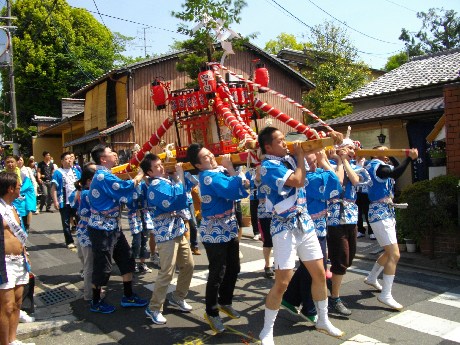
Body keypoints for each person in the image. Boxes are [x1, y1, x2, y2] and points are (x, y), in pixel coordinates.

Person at [257, 127, 343, 345]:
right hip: (284, 227)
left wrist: (329, 141)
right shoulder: (268, 166)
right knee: (282, 282)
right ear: (268, 147)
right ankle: (267, 330)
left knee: (319, 274)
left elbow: (309, 150)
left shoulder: (288, 158)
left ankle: (322, 319)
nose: (285, 143)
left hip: (305, 223)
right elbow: (297, 180)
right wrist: (300, 157)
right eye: (279, 141)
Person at [187, 143, 249, 333]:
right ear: (198, 165)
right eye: (206, 157)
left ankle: (225, 302)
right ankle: (212, 312)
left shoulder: (217, 171)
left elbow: (240, 189)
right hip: (214, 230)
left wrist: (234, 174)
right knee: (218, 272)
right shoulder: (206, 177)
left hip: (228, 226)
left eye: (210, 153)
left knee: (234, 267)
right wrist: (231, 169)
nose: (211, 157)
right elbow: (231, 190)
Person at [281, 149, 342, 322]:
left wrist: (325, 162)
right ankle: (309, 307)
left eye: (316, 160)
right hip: (309, 227)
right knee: (315, 269)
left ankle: (291, 298)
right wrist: (325, 162)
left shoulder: (314, 174)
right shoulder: (308, 179)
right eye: (311, 161)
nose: (315, 163)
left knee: (310, 268)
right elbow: (337, 185)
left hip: (320, 225)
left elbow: (336, 183)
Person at [87, 144, 147, 314]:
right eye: (110, 153)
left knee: (127, 259)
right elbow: (123, 188)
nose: (115, 154)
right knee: (103, 267)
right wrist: (140, 175)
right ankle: (96, 301)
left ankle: (128, 296)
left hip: (113, 226)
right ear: (103, 159)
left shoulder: (106, 174)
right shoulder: (102, 176)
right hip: (101, 228)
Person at [140, 153, 194, 324]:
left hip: (177, 229)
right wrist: (178, 179)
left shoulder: (165, 180)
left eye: (160, 164)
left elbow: (188, 190)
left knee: (188, 265)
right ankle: (154, 307)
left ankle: (178, 297)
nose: (161, 167)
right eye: (156, 166)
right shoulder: (155, 185)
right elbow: (174, 201)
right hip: (165, 234)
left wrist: (179, 177)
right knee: (167, 272)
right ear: (149, 172)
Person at [364, 146, 418, 310]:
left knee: (389, 252)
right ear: (373, 153)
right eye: (383, 150)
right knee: (394, 254)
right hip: (380, 214)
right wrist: (409, 158)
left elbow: (395, 169)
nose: (386, 153)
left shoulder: (380, 166)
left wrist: (396, 155)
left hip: (384, 213)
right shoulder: (377, 166)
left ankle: (372, 277)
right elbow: (395, 173)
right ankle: (386, 294)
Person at [326, 139, 370, 316]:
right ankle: (334, 299)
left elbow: (355, 180)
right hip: (334, 216)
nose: (352, 150)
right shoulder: (328, 164)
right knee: (342, 258)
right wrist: (338, 161)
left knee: (349, 258)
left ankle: (331, 279)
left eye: (354, 148)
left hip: (351, 216)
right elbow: (337, 181)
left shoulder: (355, 166)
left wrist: (345, 161)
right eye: (348, 147)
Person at [0, 172, 35, 345]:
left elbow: (18, 235)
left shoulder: (13, 207)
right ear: (10, 188)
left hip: (19, 260)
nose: (21, 190)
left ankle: (13, 340)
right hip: (4, 263)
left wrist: (25, 254)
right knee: (5, 306)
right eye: (18, 187)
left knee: (17, 302)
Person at [73, 163, 97, 302]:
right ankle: (89, 294)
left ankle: (90, 292)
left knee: (85, 261)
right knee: (90, 265)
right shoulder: (89, 193)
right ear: (89, 181)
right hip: (88, 228)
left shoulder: (81, 191)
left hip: (82, 227)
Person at [51, 152, 81, 249]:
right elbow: (54, 188)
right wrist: (55, 201)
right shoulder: (58, 172)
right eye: (67, 159)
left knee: (80, 220)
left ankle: (82, 239)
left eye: (71, 158)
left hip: (77, 201)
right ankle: (69, 241)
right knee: (66, 222)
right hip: (64, 201)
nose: (69, 160)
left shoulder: (76, 171)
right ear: (62, 161)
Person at [254, 166, 274, 278]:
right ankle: (267, 265)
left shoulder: (278, 169)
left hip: (279, 209)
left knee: (281, 238)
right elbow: (257, 180)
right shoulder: (261, 170)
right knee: (268, 239)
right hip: (265, 210)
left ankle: (280, 263)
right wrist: (259, 169)